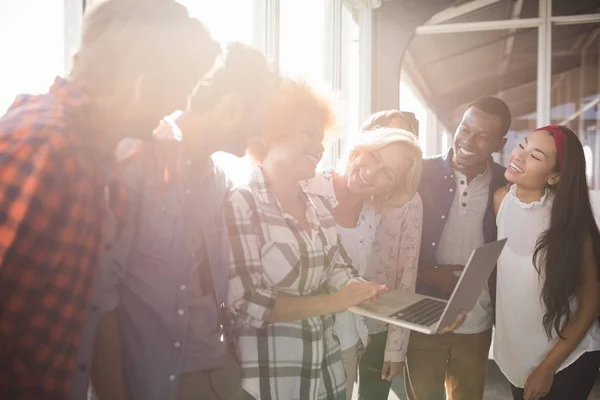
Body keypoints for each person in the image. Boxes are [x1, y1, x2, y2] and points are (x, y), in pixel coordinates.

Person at [0, 1, 218, 399]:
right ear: (144, 82)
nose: (177, 108)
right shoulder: (45, 150)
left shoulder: (100, 165)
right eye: (179, 90)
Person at [88, 43, 280, 400]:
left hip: (219, 371)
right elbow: (100, 298)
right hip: (151, 381)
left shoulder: (218, 179)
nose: (264, 128)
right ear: (230, 105)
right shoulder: (132, 163)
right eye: (262, 115)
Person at [225, 78, 389, 400]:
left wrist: (376, 295)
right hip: (268, 384)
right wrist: (334, 302)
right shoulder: (242, 203)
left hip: (325, 377)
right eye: (309, 133)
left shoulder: (318, 208)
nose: (320, 147)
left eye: (322, 137)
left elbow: (339, 271)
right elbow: (245, 304)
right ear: (274, 130)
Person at [303, 126, 423, 400]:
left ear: (391, 187)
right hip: (297, 339)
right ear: (360, 150)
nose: (371, 173)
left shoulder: (374, 216)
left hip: (345, 342)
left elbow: (378, 282)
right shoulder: (307, 185)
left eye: (388, 174)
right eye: (375, 157)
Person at [405, 97, 511, 400]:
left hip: (477, 317)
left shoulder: (507, 184)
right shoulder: (419, 173)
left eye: (482, 136)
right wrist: (428, 273)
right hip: (423, 312)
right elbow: (392, 242)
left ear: (499, 142)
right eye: (465, 129)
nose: (467, 141)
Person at [493, 125, 600, 400]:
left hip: (566, 360)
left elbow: (589, 306)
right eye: (523, 145)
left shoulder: (572, 226)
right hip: (518, 357)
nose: (519, 155)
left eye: (535, 156)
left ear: (555, 176)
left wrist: (547, 367)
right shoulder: (502, 201)